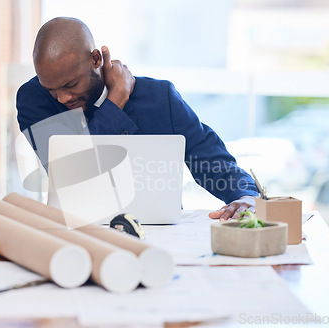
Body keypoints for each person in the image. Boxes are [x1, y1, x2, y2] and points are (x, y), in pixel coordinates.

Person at [16, 17, 259, 220]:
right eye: (51, 89)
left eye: (70, 84)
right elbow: (77, 171)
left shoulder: (159, 97)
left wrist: (245, 195)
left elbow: (210, 160)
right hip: (79, 234)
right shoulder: (34, 101)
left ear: (95, 59)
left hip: (159, 235)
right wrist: (116, 99)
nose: (61, 98)